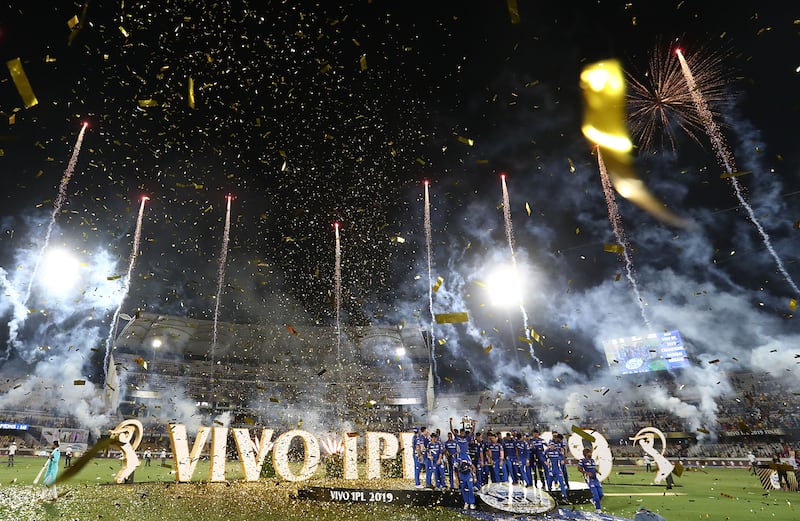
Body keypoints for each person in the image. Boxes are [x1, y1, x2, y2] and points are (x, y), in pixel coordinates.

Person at [578, 448, 604, 513]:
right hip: (589, 480)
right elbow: (579, 469)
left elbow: (593, 468)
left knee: (601, 494)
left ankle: (593, 500)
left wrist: (597, 471)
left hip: (595, 479)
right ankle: (598, 509)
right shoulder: (582, 461)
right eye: (590, 453)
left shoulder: (592, 460)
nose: (591, 454)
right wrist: (587, 473)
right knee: (596, 496)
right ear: (586, 454)